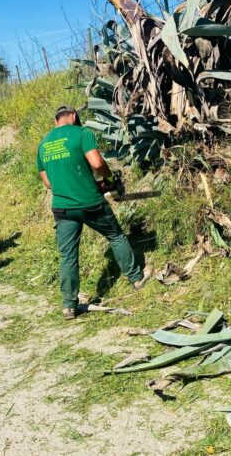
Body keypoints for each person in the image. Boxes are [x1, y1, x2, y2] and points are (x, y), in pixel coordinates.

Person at [36, 105, 152, 320]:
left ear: (56, 121)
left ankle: (69, 306)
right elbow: (97, 163)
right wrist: (107, 181)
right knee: (115, 235)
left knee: (68, 255)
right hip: (90, 204)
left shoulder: (43, 144)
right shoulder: (82, 133)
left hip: (62, 208)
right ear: (74, 116)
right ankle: (137, 279)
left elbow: (48, 183)